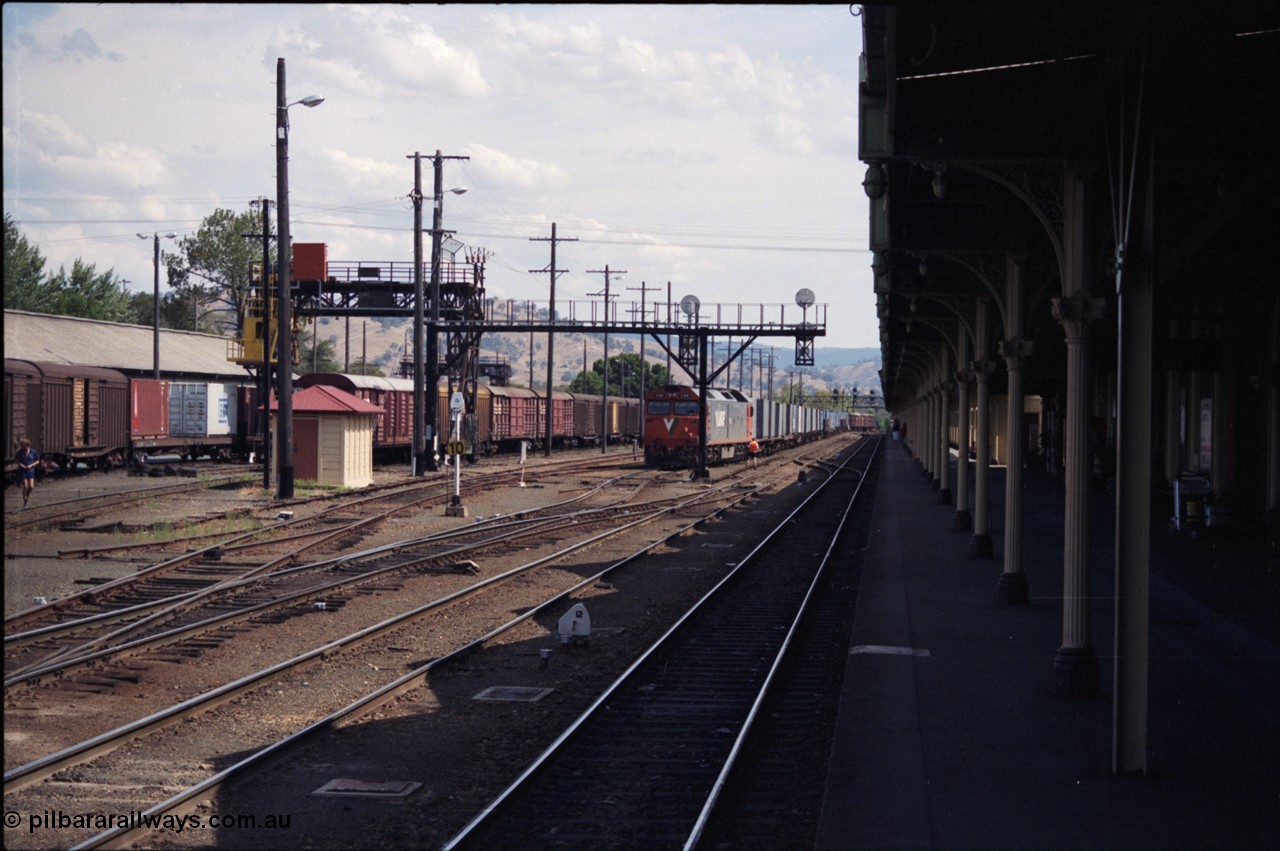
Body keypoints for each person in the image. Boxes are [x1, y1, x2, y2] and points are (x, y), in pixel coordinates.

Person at [16, 437, 39, 507]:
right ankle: (24, 498)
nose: (22, 447)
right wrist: (21, 465)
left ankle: (27, 497)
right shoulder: (20, 452)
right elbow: (16, 460)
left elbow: (37, 461)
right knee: (25, 486)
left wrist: (31, 465)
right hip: (23, 471)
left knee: (31, 487)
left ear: (27, 445)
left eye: (23, 445)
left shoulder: (33, 452)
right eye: (22, 445)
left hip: (31, 471)